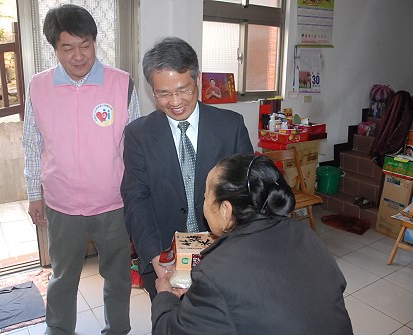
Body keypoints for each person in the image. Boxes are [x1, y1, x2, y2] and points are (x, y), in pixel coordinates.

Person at [22, 4, 140, 335]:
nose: (78, 56)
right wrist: (34, 194)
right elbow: (31, 144)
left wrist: (138, 196)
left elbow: (136, 148)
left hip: (113, 204)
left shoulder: (121, 84)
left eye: (85, 45)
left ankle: (117, 329)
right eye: (67, 47)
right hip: (61, 204)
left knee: (117, 276)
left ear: (95, 41)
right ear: (54, 48)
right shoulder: (39, 87)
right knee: (63, 276)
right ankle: (58, 330)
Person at [152, 153, 354, 335]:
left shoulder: (215, 272)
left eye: (206, 197)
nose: (204, 203)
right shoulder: (304, 233)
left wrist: (164, 296)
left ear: (226, 210)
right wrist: (207, 303)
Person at [121, 36, 253, 300]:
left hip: (223, 253)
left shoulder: (231, 126)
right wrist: (156, 257)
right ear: (151, 90)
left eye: (184, 89)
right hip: (165, 258)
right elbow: (136, 198)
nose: (175, 101)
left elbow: (247, 192)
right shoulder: (139, 134)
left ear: (198, 80)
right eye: (164, 93)